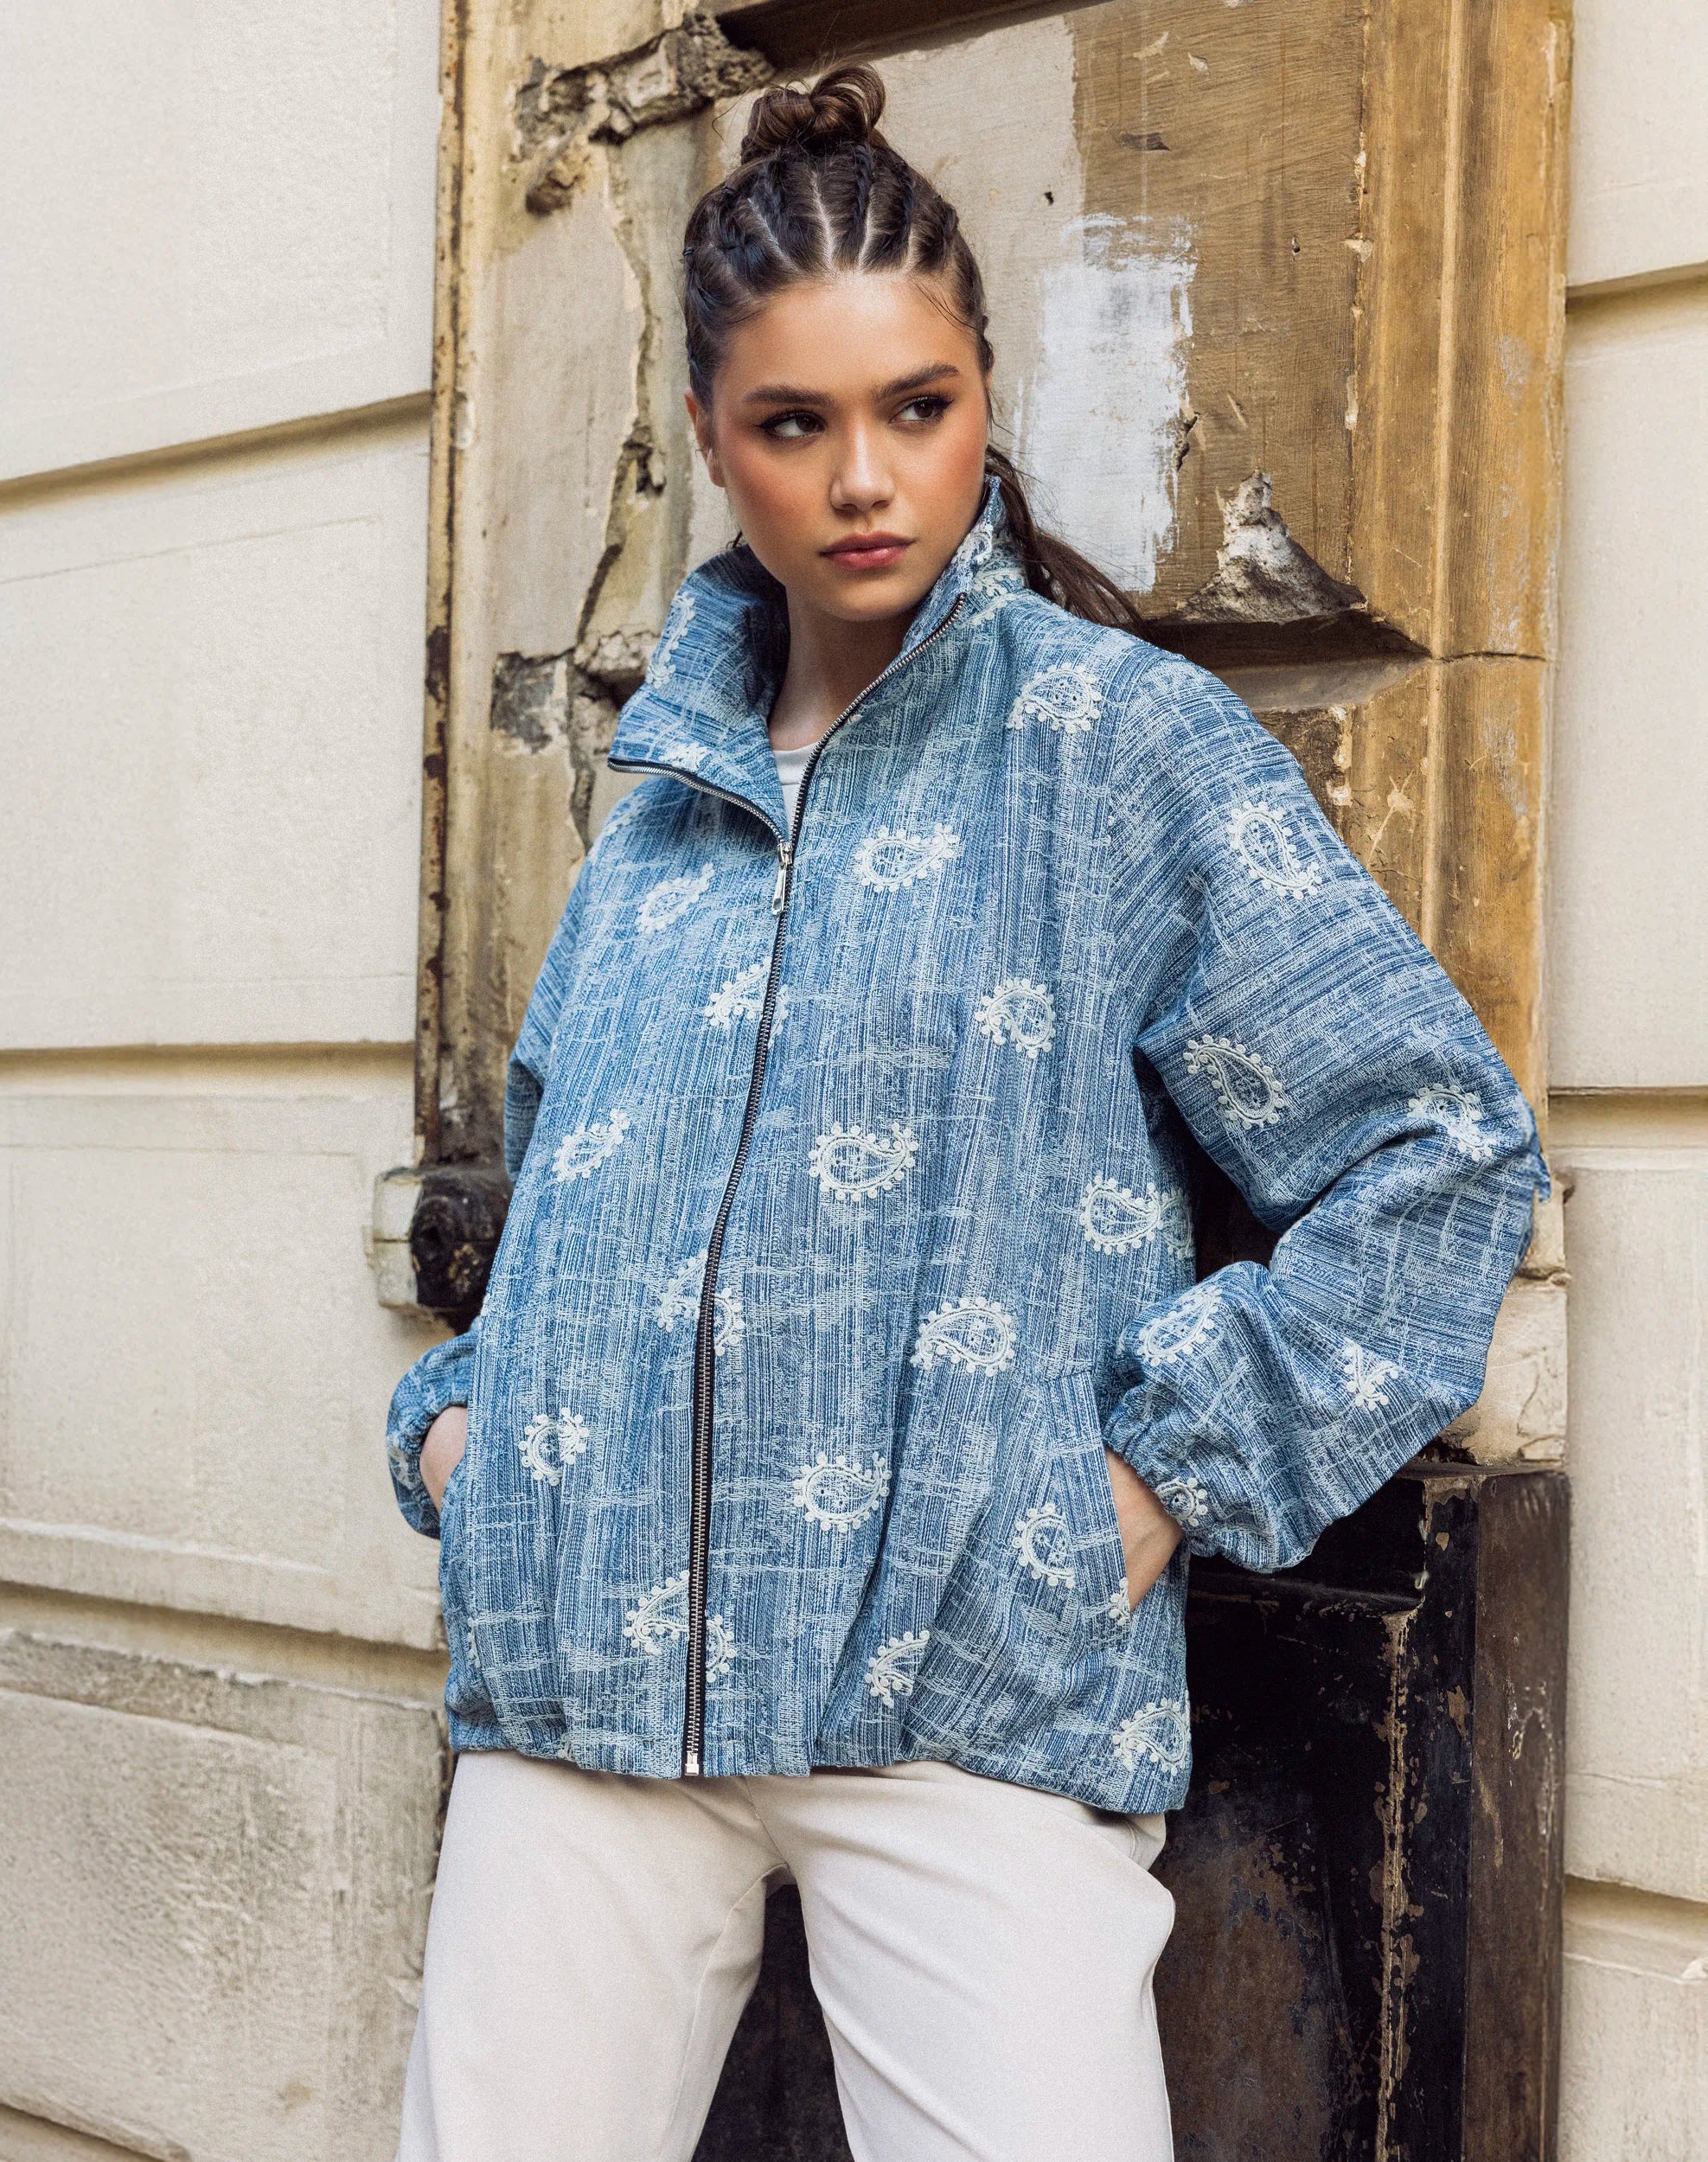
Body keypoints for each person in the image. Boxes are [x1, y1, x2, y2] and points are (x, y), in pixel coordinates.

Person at [384, 62, 1547, 2162]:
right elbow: (571, 1177)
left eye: (914, 407)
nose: (862, 478)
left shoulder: (1119, 749)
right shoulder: (656, 793)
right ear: (715, 439)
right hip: (585, 1695)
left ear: (983, 396)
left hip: (965, 1690)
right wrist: (468, 1435)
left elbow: (1437, 1151)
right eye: (793, 423)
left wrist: (1153, 1473)